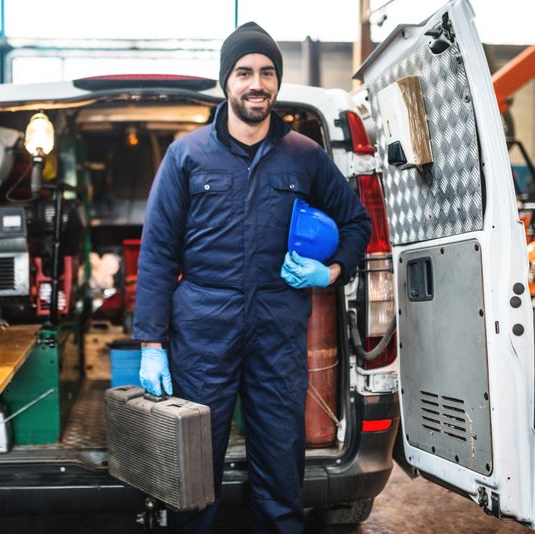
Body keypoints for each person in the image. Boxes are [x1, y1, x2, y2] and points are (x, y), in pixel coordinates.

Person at [133, 21, 371, 533]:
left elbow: (357, 223)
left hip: (277, 326)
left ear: (276, 84)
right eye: (244, 72)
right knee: (192, 464)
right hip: (203, 328)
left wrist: (330, 270)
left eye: (266, 72)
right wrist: (152, 342)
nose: (256, 83)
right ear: (226, 81)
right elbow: (156, 253)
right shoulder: (187, 155)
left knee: (281, 464)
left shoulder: (305, 155)